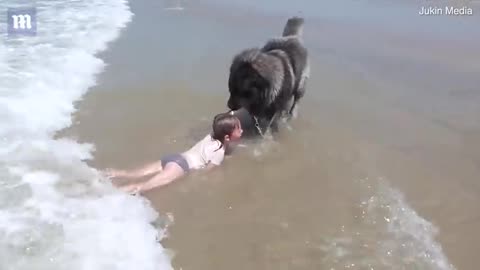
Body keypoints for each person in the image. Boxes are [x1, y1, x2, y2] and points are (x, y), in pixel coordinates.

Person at [104, 112, 243, 194]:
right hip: (180, 167)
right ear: (227, 137)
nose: (242, 131)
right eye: (239, 129)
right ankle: (108, 195)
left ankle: (104, 175)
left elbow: (219, 124)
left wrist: (231, 116)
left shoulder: (211, 135)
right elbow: (206, 171)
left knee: (131, 174)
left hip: (174, 157)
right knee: (141, 187)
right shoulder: (219, 153)